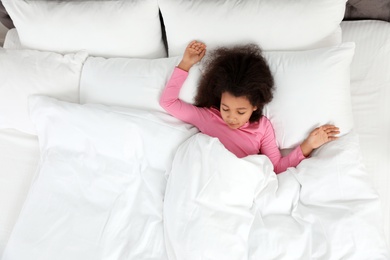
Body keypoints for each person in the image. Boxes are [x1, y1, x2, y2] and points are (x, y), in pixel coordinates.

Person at [159, 40, 339, 174]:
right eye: (225, 108)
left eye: (240, 111)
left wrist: (309, 145)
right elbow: (168, 102)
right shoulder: (207, 117)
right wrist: (185, 64)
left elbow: (276, 167)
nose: (231, 117)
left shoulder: (262, 128)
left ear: (255, 106)